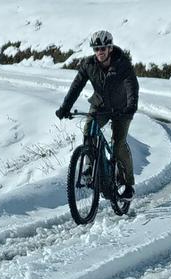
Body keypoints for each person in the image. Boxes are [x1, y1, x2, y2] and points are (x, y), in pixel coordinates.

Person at [56, 30, 139, 200]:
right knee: (89, 131)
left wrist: (131, 106)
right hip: (99, 106)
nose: (99, 52)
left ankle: (128, 184)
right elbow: (76, 86)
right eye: (96, 49)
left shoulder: (122, 64)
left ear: (110, 48)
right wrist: (65, 107)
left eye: (102, 48)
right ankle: (89, 166)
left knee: (118, 144)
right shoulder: (89, 65)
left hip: (122, 108)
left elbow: (131, 86)